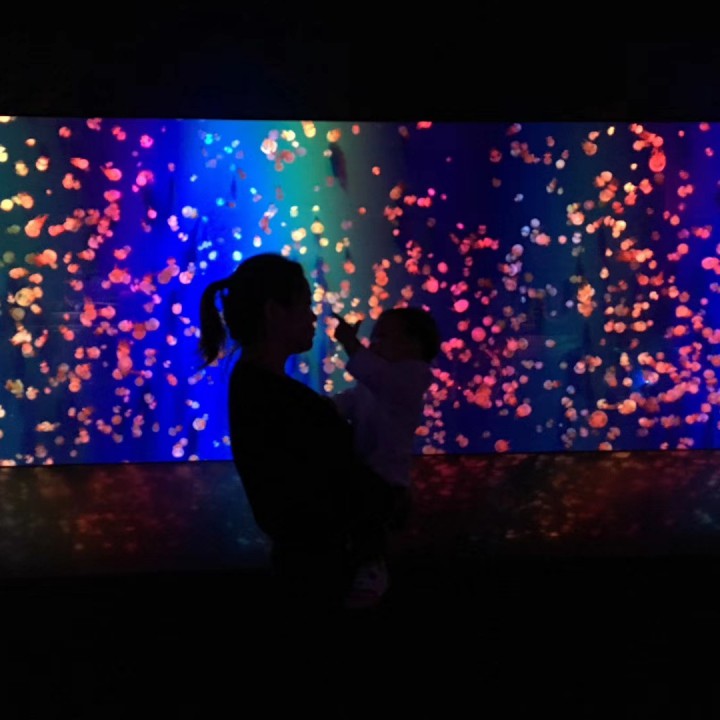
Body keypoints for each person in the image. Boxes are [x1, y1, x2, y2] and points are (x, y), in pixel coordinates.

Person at [197, 252, 394, 614]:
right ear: (274, 312)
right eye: (305, 304)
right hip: (324, 576)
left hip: (302, 565)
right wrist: (394, 501)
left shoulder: (252, 384)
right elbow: (342, 492)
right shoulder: (284, 401)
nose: (313, 316)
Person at [331, 305, 441, 606]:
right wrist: (325, 406)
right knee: (356, 518)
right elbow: (352, 399)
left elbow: (378, 377)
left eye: (384, 337)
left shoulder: (413, 376)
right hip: (364, 471)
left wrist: (350, 343)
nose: (375, 343)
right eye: (374, 336)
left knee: (369, 526)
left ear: (414, 345)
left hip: (386, 480)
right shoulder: (378, 380)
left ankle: (373, 571)